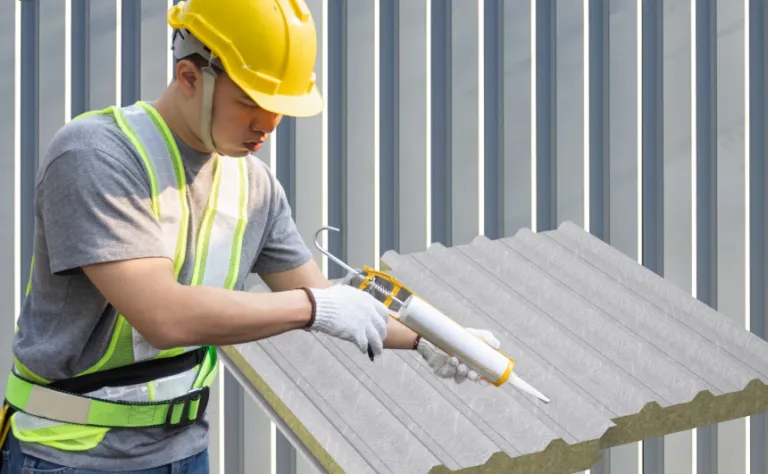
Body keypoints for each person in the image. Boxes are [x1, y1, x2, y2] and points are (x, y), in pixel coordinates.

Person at [0, 0, 501, 472]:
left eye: (281, 106)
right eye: (251, 102)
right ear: (189, 76)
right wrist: (315, 308)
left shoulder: (251, 184)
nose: (269, 124)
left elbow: (326, 298)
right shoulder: (96, 156)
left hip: (183, 450)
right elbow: (164, 316)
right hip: (69, 455)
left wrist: (437, 341)